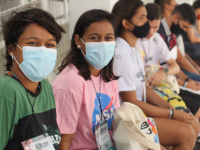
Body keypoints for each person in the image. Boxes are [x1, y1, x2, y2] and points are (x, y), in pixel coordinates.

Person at [112, 0, 199, 149]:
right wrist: (171, 114)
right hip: (129, 120)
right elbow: (131, 103)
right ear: (126, 24)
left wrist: (172, 109)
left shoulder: (133, 48)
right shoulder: (121, 53)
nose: (147, 22)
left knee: (192, 123)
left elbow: (145, 89)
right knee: (187, 133)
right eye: (142, 18)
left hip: (140, 112)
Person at [53, 9, 120, 150]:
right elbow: (63, 142)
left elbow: (117, 123)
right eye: (95, 38)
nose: (102, 44)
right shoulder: (71, 81)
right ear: (78, 41)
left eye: (108, 38)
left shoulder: (108, 75)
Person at [0, 8, 65, 150]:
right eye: (33, 43)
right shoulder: (6, 92)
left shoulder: (45, 86)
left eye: (49, 45)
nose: (42, 51)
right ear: (11, 48)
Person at [137, 4, 200, 149]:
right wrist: (185, 82)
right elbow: (135, 94)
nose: (151, 32)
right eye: (149, 27)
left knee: (192, 124)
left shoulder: (157, 38)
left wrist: (163, 72)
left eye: (155, 27)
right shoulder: (134, 42)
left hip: (160, 87)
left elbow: (175, 64)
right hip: (150, 92)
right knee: (188, 126)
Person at [157, 3, 200, 83]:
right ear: (176, 17)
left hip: (175, 73)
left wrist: (189, 80)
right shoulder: (159, 33)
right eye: (184, 26)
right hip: (165, 77)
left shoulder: (173, 32)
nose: (184, 30)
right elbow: (180, 61)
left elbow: (178, 58)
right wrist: (186, 83)